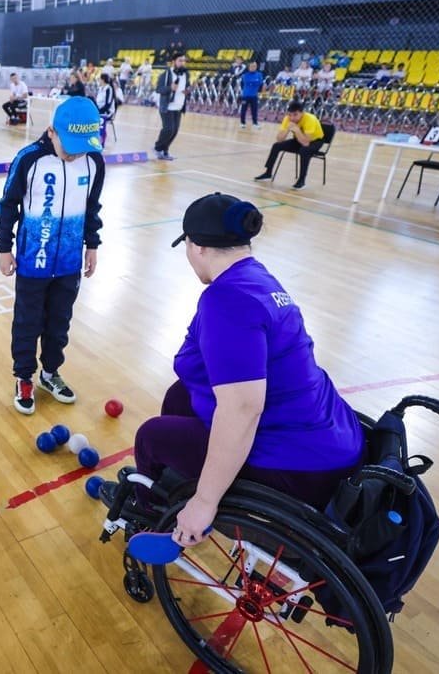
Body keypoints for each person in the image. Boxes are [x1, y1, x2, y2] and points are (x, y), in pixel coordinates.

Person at [101, 193, 363, 545]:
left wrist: (205, 503)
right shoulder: (255, 278)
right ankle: (178, 488)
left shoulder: (225, 302)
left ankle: (152, 516)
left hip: (300, 464)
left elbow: (243, 408)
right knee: (181, 396)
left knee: (151, 436)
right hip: (330, 436)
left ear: (197, 248)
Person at [0, 97, 105, 415]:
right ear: (51, 132)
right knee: (28, 322)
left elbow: (92, 208)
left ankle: (49, 373)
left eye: (80, 146)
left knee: (60, 323)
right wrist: (4, 248)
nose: (74, 153)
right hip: (33, 260)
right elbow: (8, 205)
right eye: (68, 145)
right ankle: (24, 377)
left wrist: (92, 245)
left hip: (70, 262)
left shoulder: (93, 161)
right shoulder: (29, 160)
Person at [253, 100, 324, 190]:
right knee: (276, 146)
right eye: (290, 115)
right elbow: (279, 139)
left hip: (315, 141)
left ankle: (302, 180)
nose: (292, 118)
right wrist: (287, 129)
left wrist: (297, 130)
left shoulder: (310, 119)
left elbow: (305, 143)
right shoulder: (288, 119)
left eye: (295, 115)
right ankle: (268, 172)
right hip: (299, 139)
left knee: (304, 151)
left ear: (302, 113)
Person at [154, 55, 189, 161]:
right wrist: (170, 88)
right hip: (167, 106)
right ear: (174, 61)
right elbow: (159, 89)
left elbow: (187, 86)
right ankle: (158, 148)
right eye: (180, 60)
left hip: (179, 106)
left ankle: (165, 151)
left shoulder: (186, 74)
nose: (183, 62)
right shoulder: (165, 75)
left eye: (184, 61)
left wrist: (188, 90)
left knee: (174, 131)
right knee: (168, 129)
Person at [238, 60, 264, 129]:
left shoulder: (259, 74)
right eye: (252, 66)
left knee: (254, 110)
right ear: (249, 67)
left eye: (255, 66)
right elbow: (247, 82)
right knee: (244, 109)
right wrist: (255, 82)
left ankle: (255, 123)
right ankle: (242, 122)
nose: (253, 67)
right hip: (246, 96)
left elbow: (260, 84)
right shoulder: (245, 75)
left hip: (254, 96)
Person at [95, 73, 117, 148]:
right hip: (99, 110)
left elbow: (108, 103)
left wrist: (100, 111)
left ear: (103, 80)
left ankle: (101, 143)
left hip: (107, 112)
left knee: (100, 120)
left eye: (100, 79)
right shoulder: (100, 88)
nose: (99, 81)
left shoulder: (109, 89)